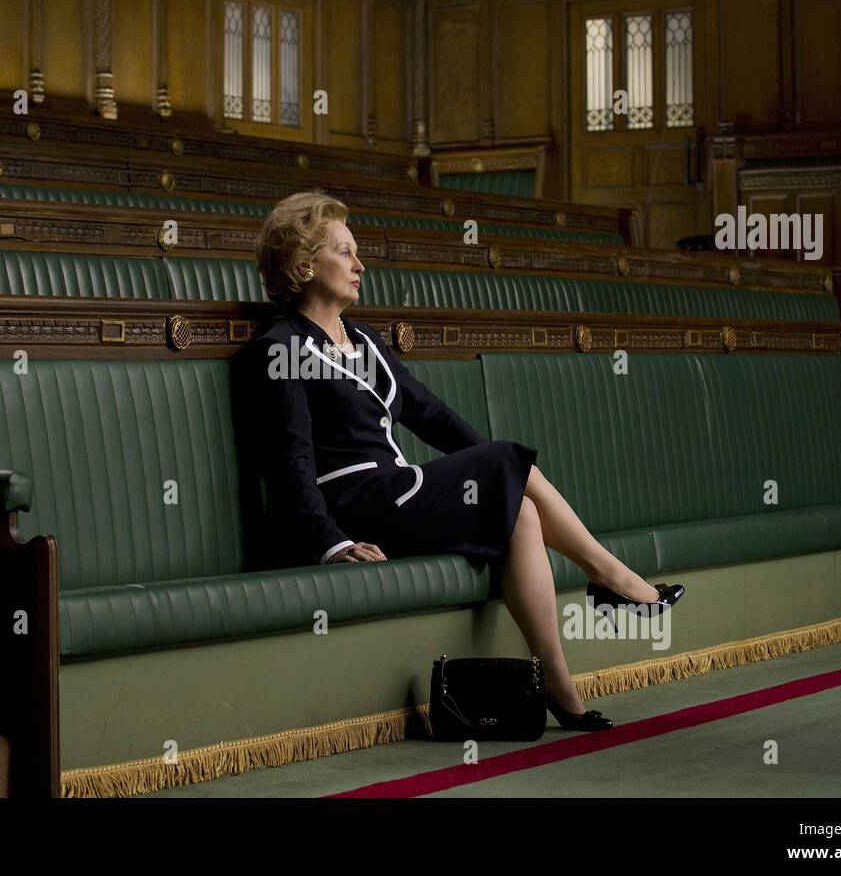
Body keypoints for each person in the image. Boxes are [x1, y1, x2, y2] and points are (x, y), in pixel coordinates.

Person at [237, 189, 685, 731]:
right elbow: (292, 460)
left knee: (520, 510)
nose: (360, 265)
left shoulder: (364, 339)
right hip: (356, 506)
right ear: (305, 264)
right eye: (345, 252)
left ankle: (561, 688)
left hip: (398, 490)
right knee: (506, 469)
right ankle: (610, 576)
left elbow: (431, 416)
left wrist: (500, 472)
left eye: (357, 253)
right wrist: (329, 542)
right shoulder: (281, 346)